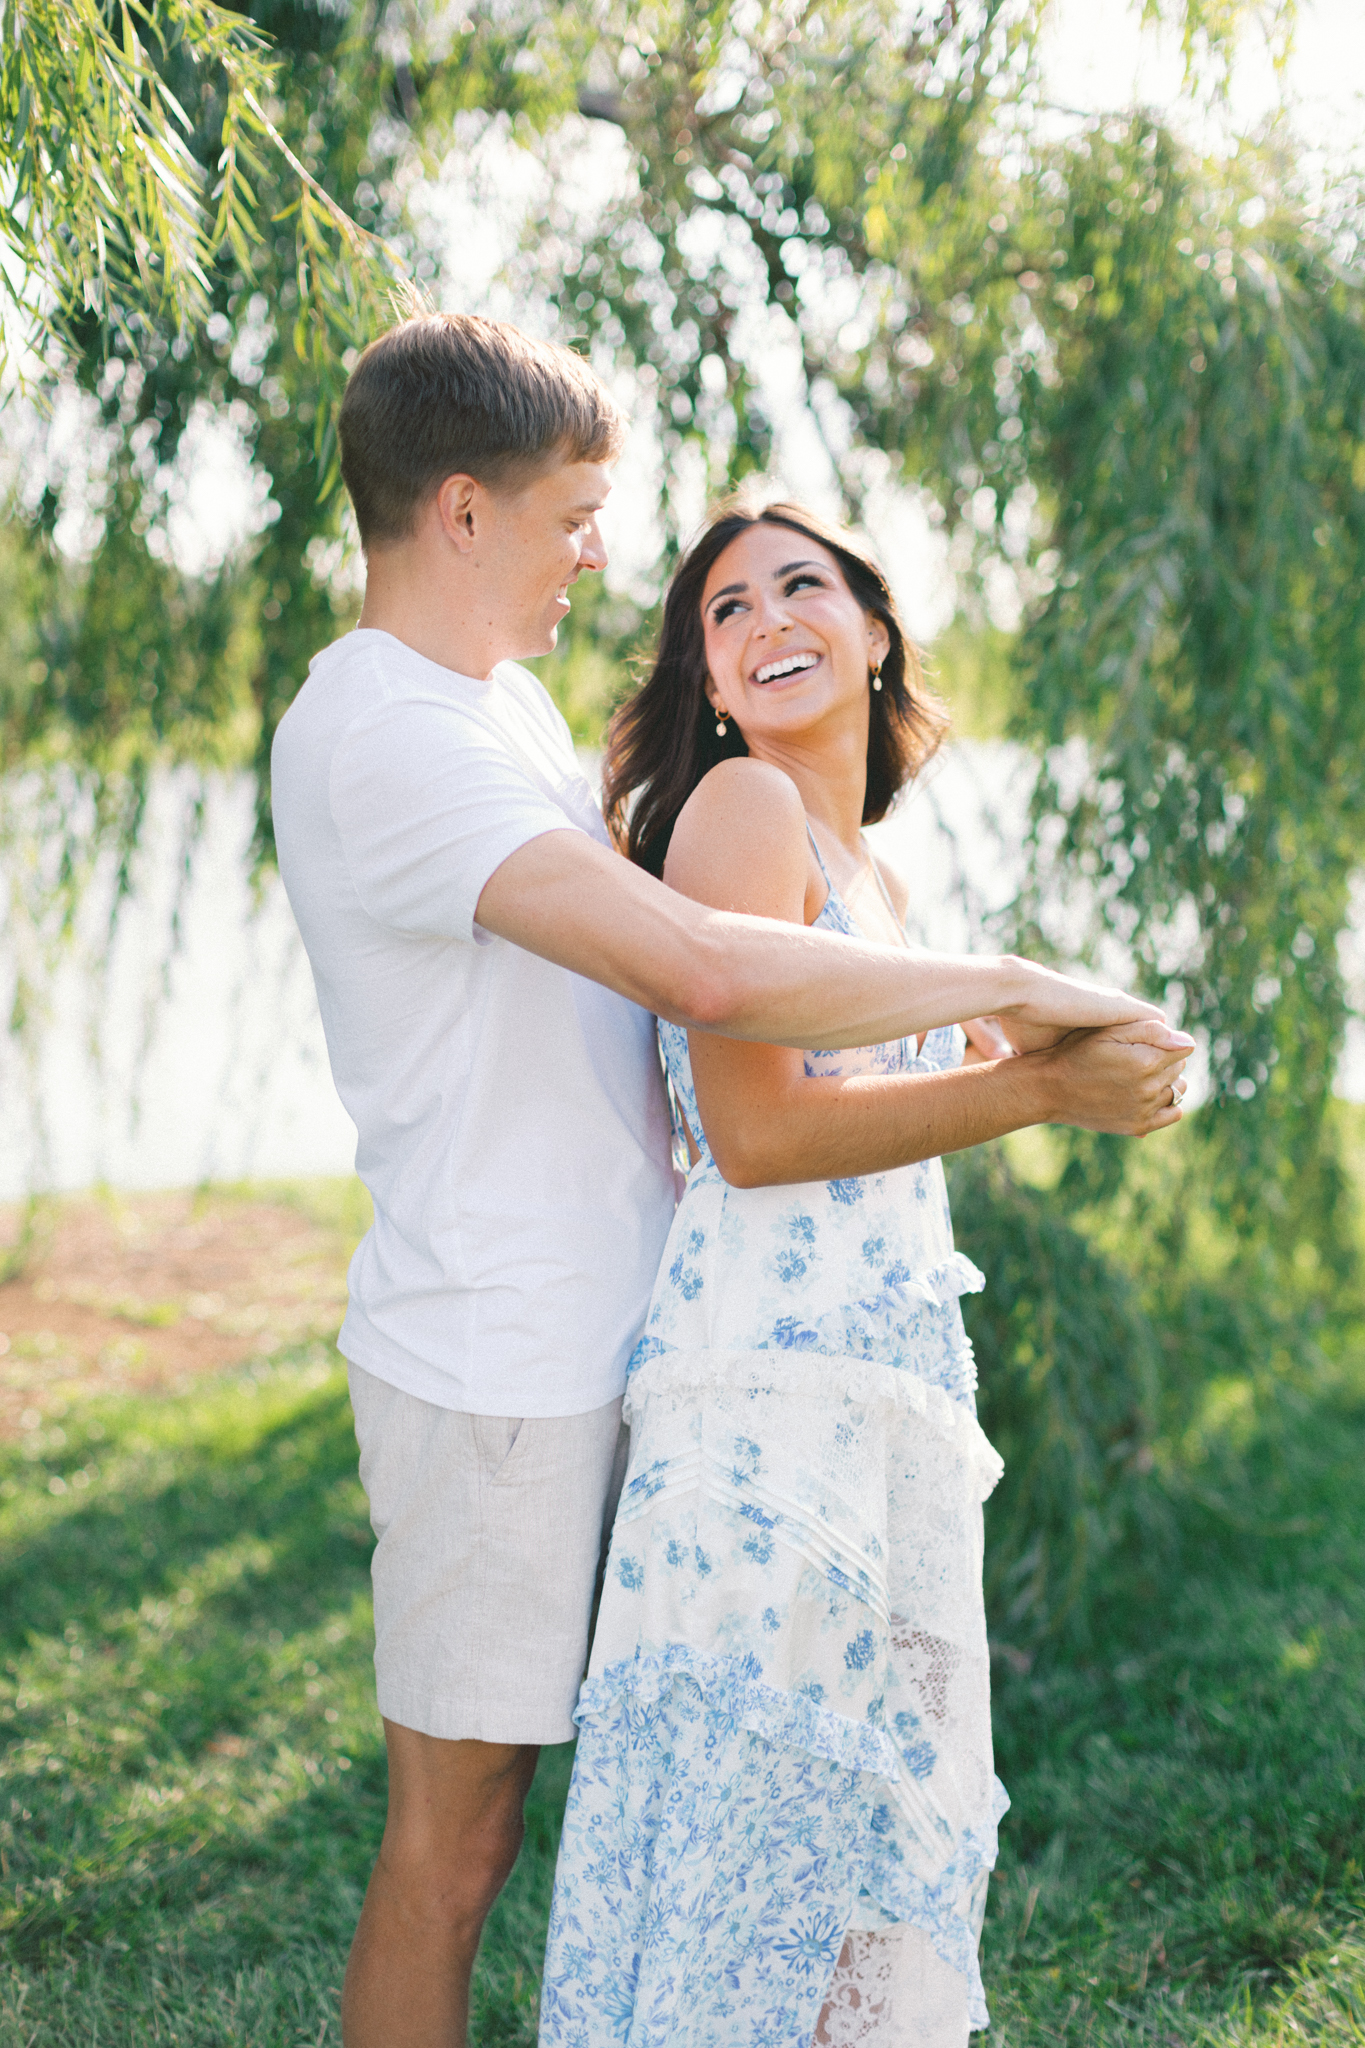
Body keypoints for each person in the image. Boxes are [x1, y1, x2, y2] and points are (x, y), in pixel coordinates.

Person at [270, 313, 1192, 2048]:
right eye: (571, 516)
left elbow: (718, 1032)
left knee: (707, 1818)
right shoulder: (384, 737)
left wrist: (998, 1028)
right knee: (454, 1857)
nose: (595, 554)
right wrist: (1025, 1021)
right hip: (499, 1360)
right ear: (461, 511)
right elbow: (704, 977)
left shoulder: (494, 707)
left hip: (643, 1342)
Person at [539, 500, 1189, 2046]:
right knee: (747, 1834)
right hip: (765, 1391)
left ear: (877, 629)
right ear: (701, 676)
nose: (765, 620)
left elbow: (870, 1127)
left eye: (800, 586)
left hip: (873, 1383)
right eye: (724, 610)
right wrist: (1043, 1085)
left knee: (847, 1842)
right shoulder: (744, 811)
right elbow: (761, 1134)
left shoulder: (869, 873)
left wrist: (1051, 1056)